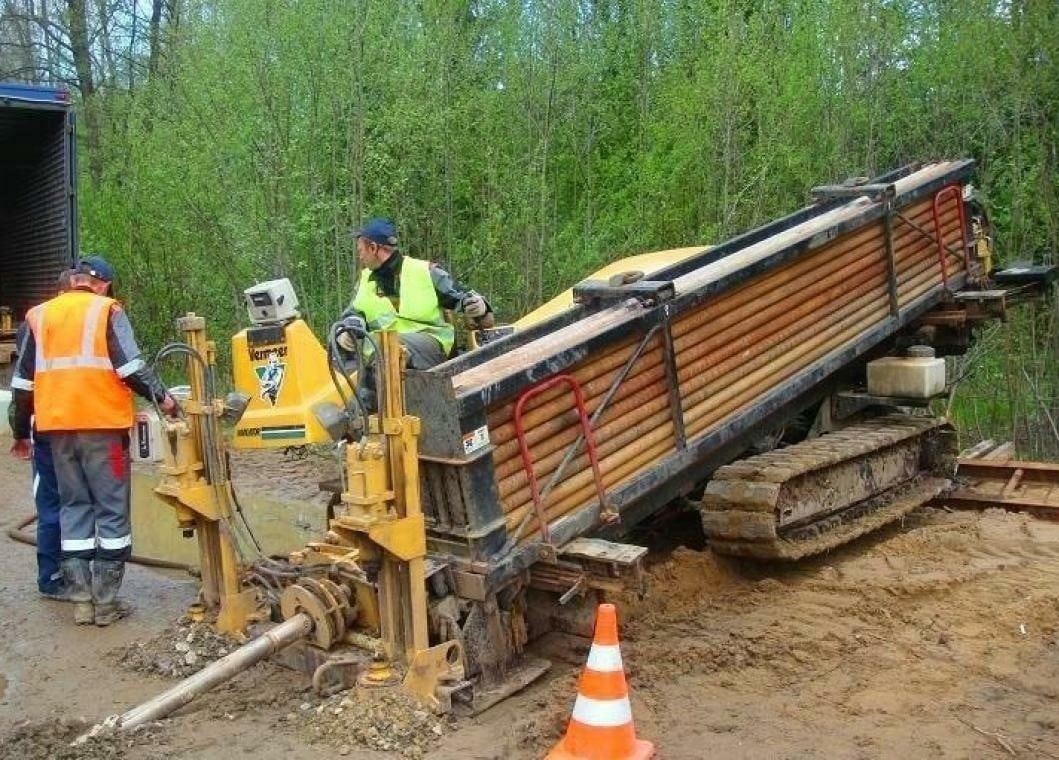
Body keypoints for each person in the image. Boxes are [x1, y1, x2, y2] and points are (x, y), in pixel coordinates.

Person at [9, 255, 178, 626]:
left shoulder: (39, 316)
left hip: (57, 432)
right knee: (112, 509)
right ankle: (106, 603)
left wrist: (21, 432)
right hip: (103, 430)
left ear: (70, 282)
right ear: (99, 284)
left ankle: (82, 600)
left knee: (74, 507)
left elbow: (22, 385)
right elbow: (130, 368)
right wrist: (164, 399)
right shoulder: (107, 312)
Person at [337, 217, 494, 372]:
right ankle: (351, 393)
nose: (360, 256)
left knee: (390, 345)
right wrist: (349, 327)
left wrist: (479, 306)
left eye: (361, 251)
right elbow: (354, 312)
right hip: (381, 350)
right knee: (338, 343)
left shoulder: (426, 271)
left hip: (428, 346)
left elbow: (463, 297)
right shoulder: (364, 280)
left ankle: (372, 393)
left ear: (373, 248)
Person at [9, 269, 75, 600]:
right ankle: (62, 577)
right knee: (76, 503)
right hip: (80, 426)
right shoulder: (86, 321)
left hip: (47, 425)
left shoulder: (34, 323)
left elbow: (23, 385)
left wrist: (20, 432)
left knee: (52, 502)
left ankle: (54, 575)